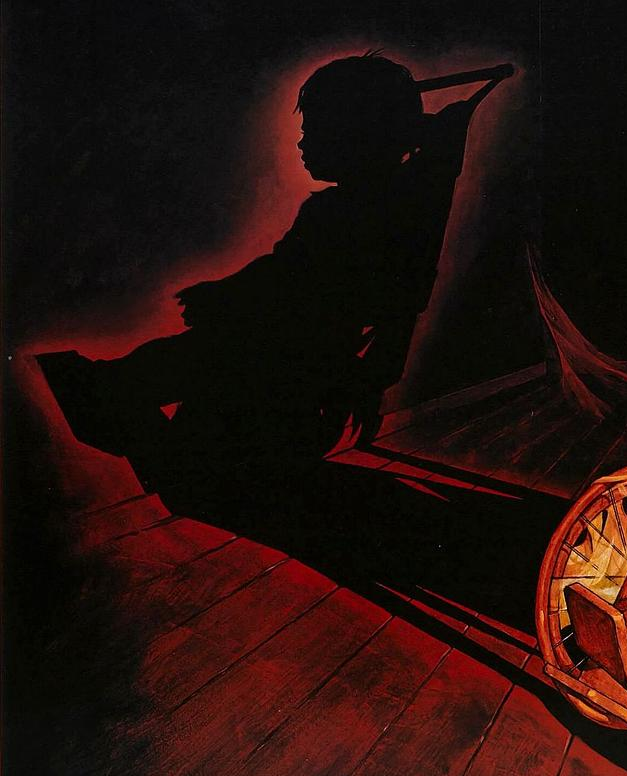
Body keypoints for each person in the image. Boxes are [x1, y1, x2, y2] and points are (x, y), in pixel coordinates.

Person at [40, 53, 506, 483]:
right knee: (174, 366)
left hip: (284, 372)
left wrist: (223, 297)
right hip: (301, 370)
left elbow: (289, 282)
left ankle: (115, 399)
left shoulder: (342, 214)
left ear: (354, 136)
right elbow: (288, 275)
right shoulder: (397, 200)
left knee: (177, 366)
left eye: (315, 128)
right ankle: (119, 398)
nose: (302, 141)